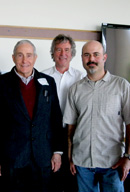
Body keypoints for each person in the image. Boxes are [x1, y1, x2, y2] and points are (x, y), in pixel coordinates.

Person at [0, 40, 64, 192]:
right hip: (12, 158)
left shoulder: (48, 82)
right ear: (13, 57)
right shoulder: (0, 83)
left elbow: (56, 119)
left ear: (35, 58)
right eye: (20, 55)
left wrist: (57, 152)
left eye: (29, 55)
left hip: (43, 157)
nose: (24, 60)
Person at [63, 40, 130, 192]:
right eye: (87, 55)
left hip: (113, 163)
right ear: (82, 58)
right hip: (82, 162)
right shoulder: (75, 90)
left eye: (96, 55)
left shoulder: (122, 86)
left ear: (104, 57)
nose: (91, 59)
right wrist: (71, 158)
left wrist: (128, 157)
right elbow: (71, 127)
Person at [42, 34, 85, 192]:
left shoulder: (81, 77)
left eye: (66, 50)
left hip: (73, 132)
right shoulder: (42, 76)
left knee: (72, 178)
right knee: (51, 176)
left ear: (72, 53)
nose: (62, 54)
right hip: (49, 133)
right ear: (52, 53)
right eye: (58, 50)